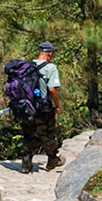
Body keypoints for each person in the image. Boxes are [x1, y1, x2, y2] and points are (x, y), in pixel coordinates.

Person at [12, 42, 64, 172]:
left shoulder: (27, 66)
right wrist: (57, 105)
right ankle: (53, 159)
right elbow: (52, 90)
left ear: (38, 52)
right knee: (47, 133)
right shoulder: (50, 67)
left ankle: (26, 163)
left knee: (28, 133)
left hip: (26, 107)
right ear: (50, 54)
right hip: (43, 108)